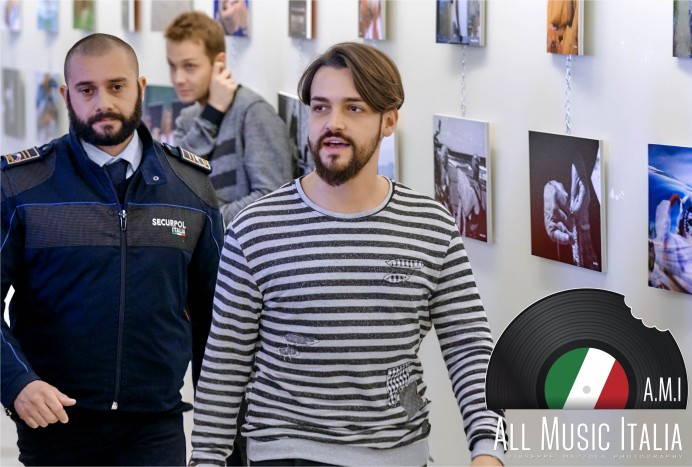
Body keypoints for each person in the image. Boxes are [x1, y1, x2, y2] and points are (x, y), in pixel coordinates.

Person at [190, 42, 505, 467]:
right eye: (320, 108)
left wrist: (489, 451)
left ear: (389, 121)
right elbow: (225, 364)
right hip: (286, 456)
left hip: (400, 456)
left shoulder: (430, 226)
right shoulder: (255, 228)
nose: (332, 123)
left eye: (353, 108)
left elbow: (471, 349)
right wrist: (205, 459)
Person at [0, 33, 224, 466]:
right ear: (66, 95)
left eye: (116, 86)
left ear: (140, 88)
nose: (102, 102)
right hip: (56, 421)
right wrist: (17, 383)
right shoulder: (22, 186)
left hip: (155, 425)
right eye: (86, 90)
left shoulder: (190, 188)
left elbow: (215, 317)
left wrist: (222, 433)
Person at [165, 11, 294, 224]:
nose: (178, 78)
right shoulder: (187, 119)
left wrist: (205, 220)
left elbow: (274, 197)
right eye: (172, 65)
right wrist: (211, 115)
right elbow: (174, 183)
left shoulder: (253, 112)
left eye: (189, 66)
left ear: (219, 63)